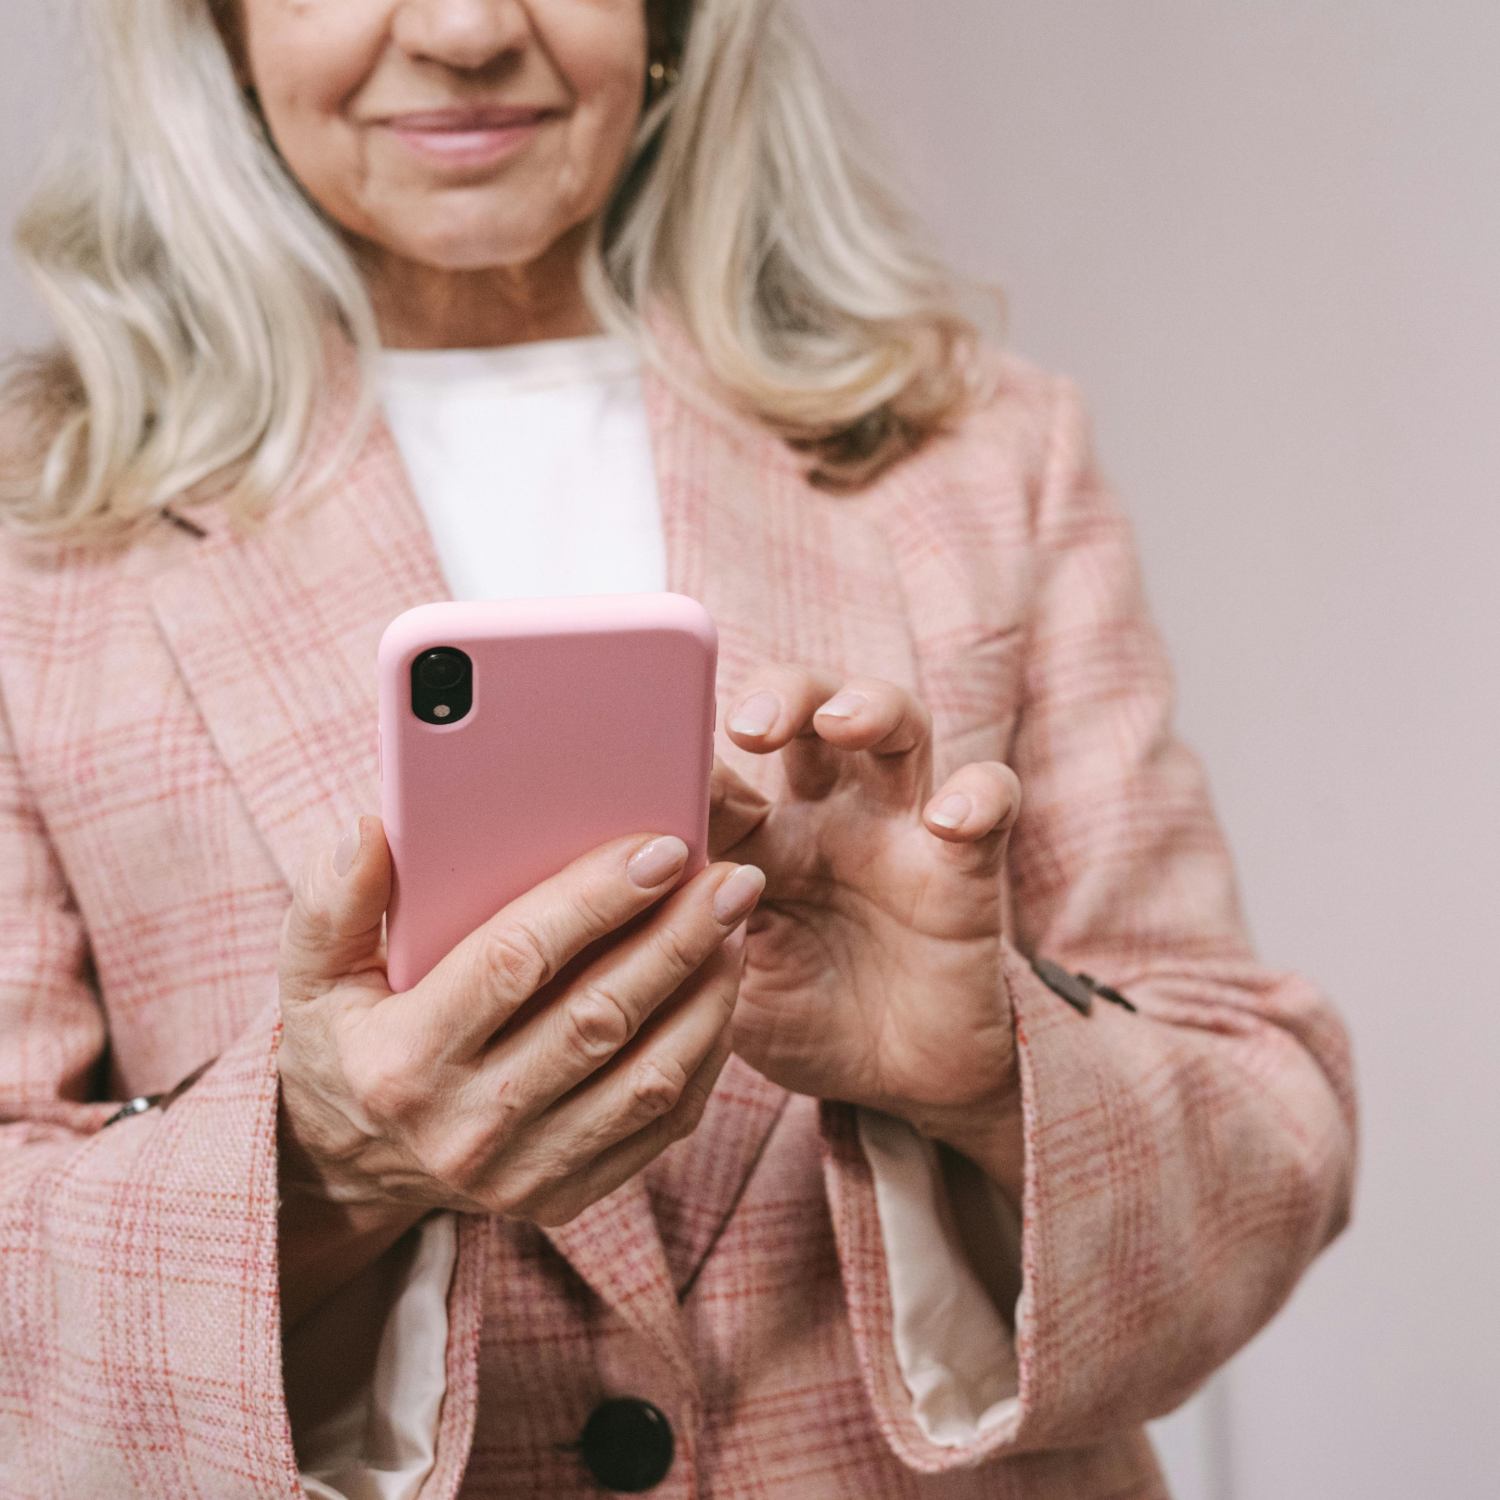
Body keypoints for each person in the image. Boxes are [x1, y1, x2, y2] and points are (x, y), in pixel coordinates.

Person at [0, 1, 1356, 1496]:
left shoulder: (984, 455)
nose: (462, 28)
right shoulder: (31, 530)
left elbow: (1273, 1133)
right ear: (216, 24)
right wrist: (320, 1165)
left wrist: (991, 1074)